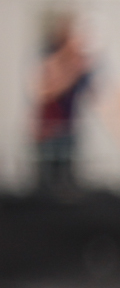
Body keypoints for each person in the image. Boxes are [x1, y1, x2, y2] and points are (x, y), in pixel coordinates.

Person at [33, 12, 92, 194]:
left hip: (68, 128)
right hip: (49, 130)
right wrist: (72, 71)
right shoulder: (50, 57)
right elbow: (42, 91)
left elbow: (92, 93)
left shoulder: (78, 62)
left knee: (66, 181)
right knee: (46, 181)